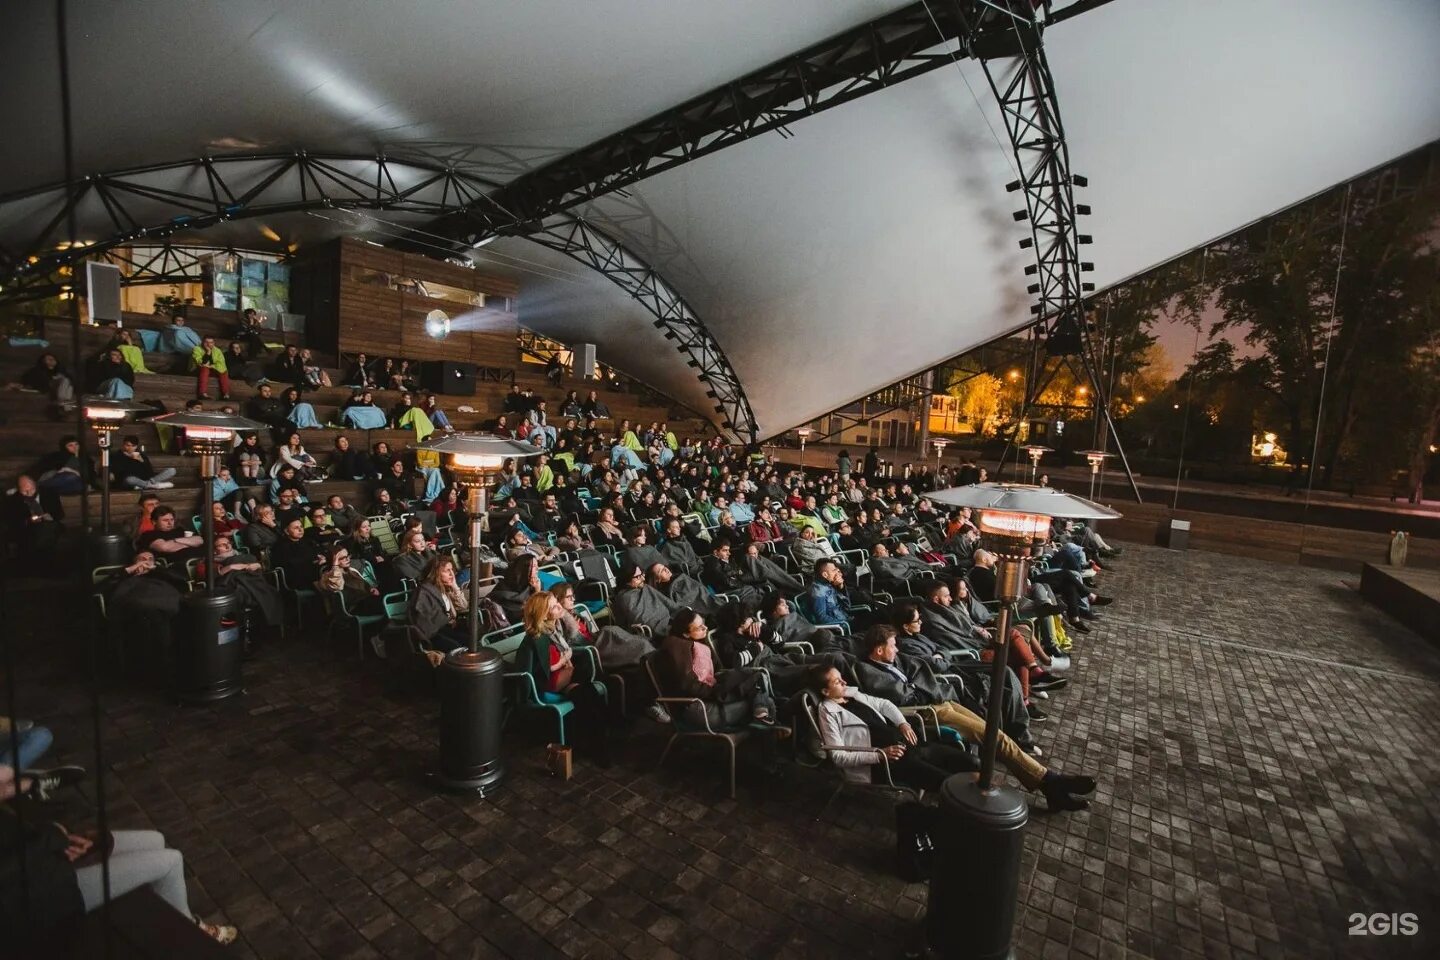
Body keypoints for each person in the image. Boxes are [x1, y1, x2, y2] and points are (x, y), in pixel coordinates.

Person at [853, 626, 1094, 809]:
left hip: (941, 700)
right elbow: (903, 694)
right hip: (926, 712)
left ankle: (1049, 785)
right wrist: (921, 686)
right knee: (995, 738)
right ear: (879, 650)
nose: (897, 649)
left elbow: (921, 671)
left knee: (993, 733)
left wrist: (922, 682)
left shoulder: (897, 659)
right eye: (893, 646)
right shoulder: (869, 671)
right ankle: (1050, 782)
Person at [810, 664, 979, 791]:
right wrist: (880, 755)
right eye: (838, 681)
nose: (844, 682)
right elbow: (838, 756)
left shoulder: (851, 695)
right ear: (825, 692)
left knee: (973, 762)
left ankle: (977, 800)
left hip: (910, 746)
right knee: (950, 783)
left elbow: (884, 704)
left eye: (841, 677)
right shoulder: (828, 713)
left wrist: (902, 723)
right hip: (888, 764)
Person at [513, 592, 613, 762]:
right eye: (554, 606)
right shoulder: (537, 638)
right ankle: (598, 747)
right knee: (590, 693)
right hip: (551, 685)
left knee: (593, 693)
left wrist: (566, 658)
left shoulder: (554, 628)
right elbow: (544, 671)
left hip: (567, 678)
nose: (559, 607)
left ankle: (596, 742)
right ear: (544, 614)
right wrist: (565, 658)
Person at [656, 608, 777, 728]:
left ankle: (765, 726)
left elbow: (715, 673)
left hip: (708, 695)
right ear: (685, 634)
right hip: (698, 707)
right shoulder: (677, 647)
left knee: (757, 682)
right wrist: (719, 691)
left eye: (704, 624)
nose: (706, 628)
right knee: (765, 703)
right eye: (700, 628)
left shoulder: (696, 643)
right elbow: (689, 684)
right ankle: (770, 736)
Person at [4, 475, 63, 557]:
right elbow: (12, 522)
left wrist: (51, 517)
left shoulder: (49, 493)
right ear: (18, 489)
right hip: (28, 530)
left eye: (31, 489)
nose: (29, 494)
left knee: (49, 529)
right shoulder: (14, 500)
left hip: (50, 526)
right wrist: (28, 521)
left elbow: (60, 514)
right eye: (24, 491)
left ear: (35, 485)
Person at [137, 507, 205, 562]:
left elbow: (200, 540)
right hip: (177, 562)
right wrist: (189, 543)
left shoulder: (179, 530)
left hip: (200, 557)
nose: (170, 523)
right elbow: (164, 547)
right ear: (154, 522)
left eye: (172, 520)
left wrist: (175, 540)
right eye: (165, 520)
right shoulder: (149, 535)